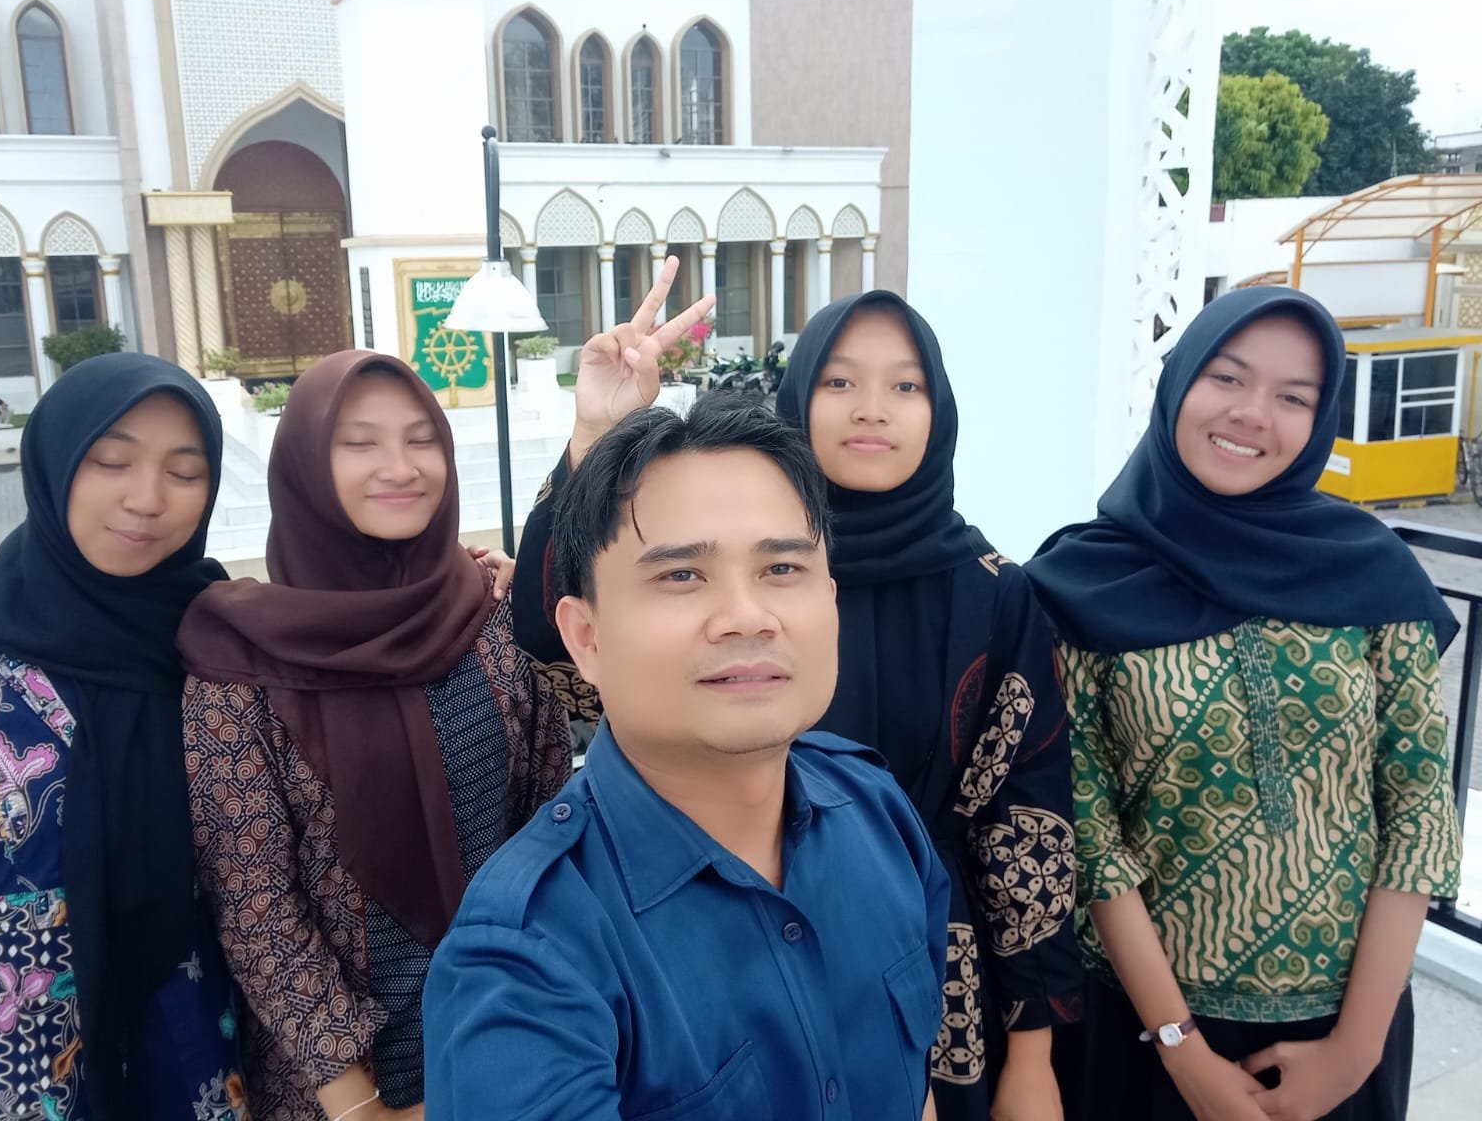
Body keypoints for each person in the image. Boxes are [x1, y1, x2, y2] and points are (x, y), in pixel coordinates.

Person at [510, 267, 1081, 1120]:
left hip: (924, 955)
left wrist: (1033, 1056)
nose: (872, 409)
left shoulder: (991, 593)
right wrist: (596, 431)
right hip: (696, 924)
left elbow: (1025, 823)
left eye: (906, 386)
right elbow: (557, 645)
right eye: (840, 381)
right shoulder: (539, 942)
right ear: (799, 393)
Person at [423, 393, 951, 1120]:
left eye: (782, 569)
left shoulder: (877, 809)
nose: (746, 617)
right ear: (586, 638)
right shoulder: (524, 961)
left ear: (831, 601)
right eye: (681, 576)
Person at [1025, 287, 1464, 1121]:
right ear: (1179, 384)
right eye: (1227, 378)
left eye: (1294, 397)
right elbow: (1090, 834)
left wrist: (1355, 1049)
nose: (1253, 414)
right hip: (1146, 1032)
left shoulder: (1372, 574)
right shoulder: (1080, 584)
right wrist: (1183, 1051)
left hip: (1346, 1030)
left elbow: (1415, 806)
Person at [177, 350, 573, 1121]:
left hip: (509, 1040)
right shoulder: (240, 665)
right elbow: (256, 907)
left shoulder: (490, 619)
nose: (400, 467)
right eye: (359, 443)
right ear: (304, 467)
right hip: (338, 1091)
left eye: (422, 439)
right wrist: (360, 1103)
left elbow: (548, 823)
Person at [0, 353, 246, 1120]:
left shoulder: (221, 646)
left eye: (185, 472)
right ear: (55, 463)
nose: (147, 499)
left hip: (196, 1071)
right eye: (110, 461)